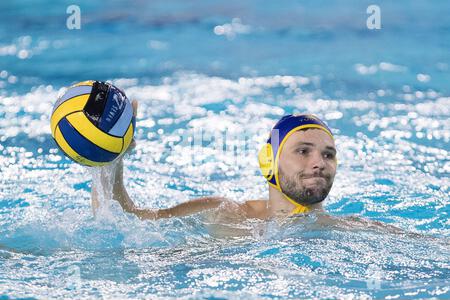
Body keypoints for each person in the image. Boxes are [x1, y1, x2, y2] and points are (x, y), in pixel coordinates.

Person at [91, 100, 404, 234]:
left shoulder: (352, 229)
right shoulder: (222, 212)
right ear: (268, 161)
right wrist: (112, 160)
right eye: (303, 151)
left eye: (328, 155)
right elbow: (124, 221)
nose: (319, 163)